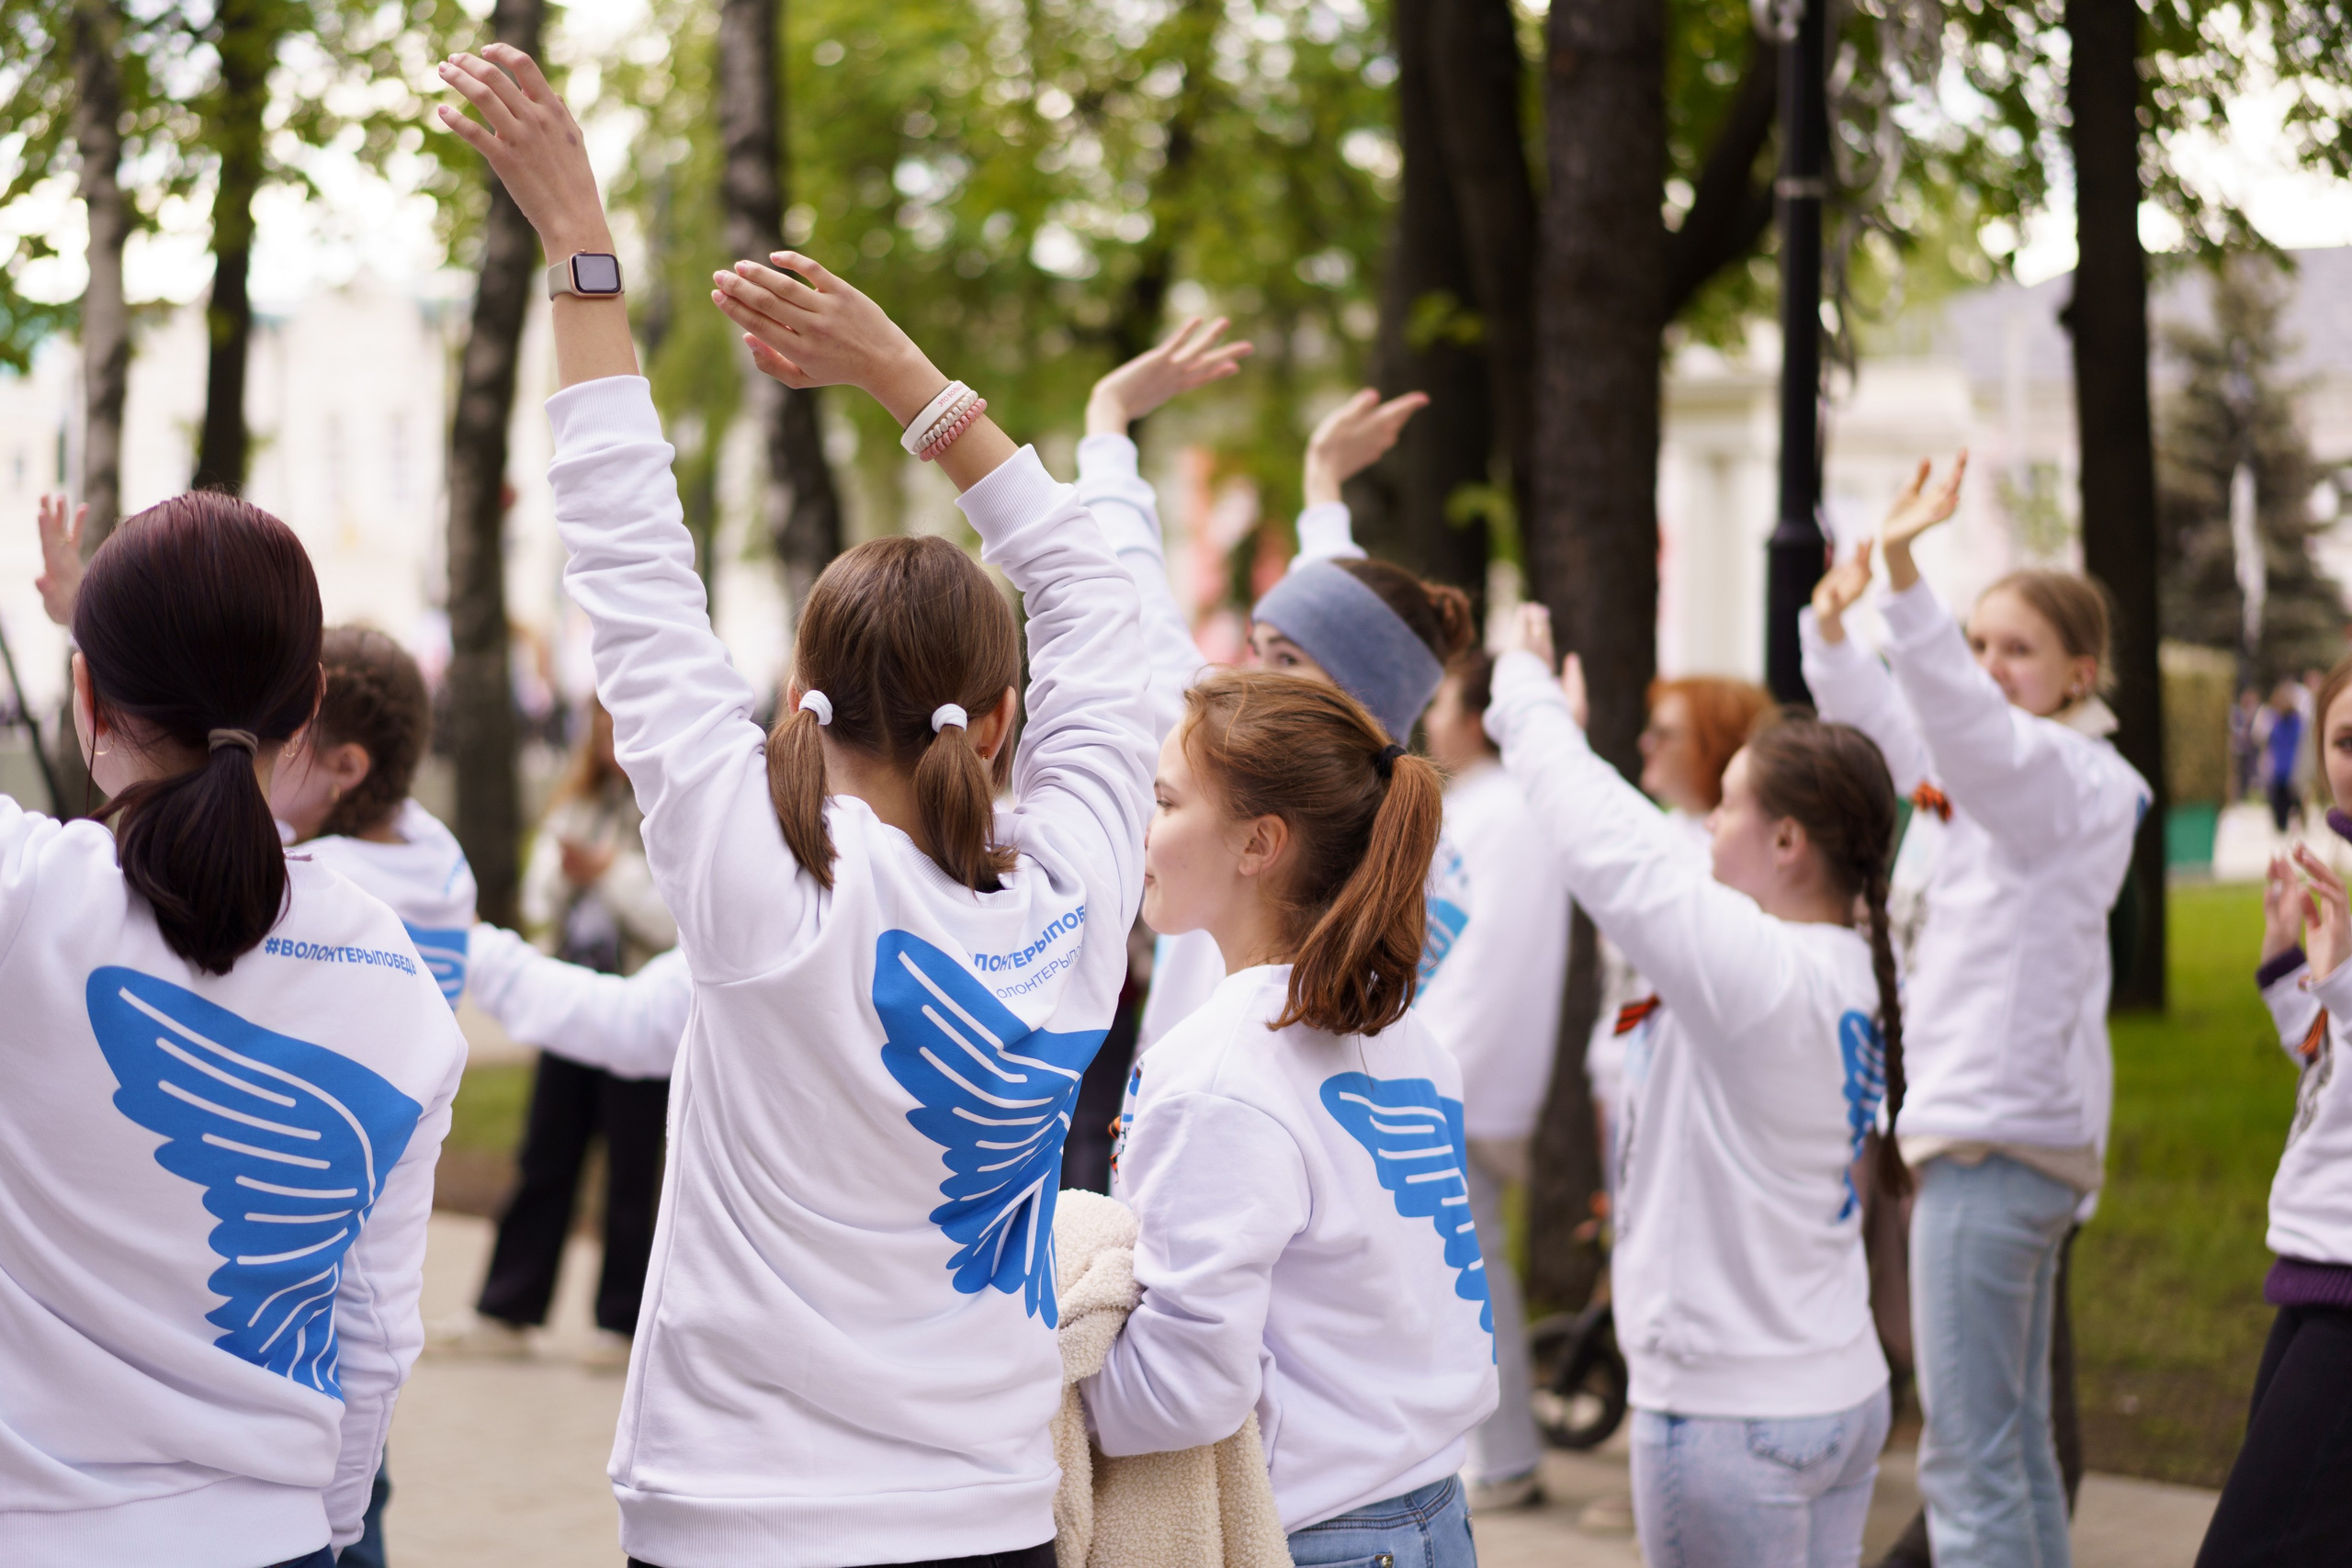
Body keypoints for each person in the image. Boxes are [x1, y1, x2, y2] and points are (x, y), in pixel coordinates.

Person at [437, 46, 1155, 1568]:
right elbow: (1102, 602)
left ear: (798, 701)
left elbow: (629, 558)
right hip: (987, 1522)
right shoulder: (1079, 908)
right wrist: (909, 379)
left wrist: (579, 236)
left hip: (742, 1526)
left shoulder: (766, 898)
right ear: (1007, 716)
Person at [1, 491, 465, 1566]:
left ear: (86, 692)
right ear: (310, 707)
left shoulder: (31, 902)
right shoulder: (395, 976)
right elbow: (377, 1340)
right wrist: (334, 1532)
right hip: (277, 1537)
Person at [1488, 605, 1902, 1568]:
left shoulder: (1758, 973)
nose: (1704, 829)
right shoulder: (1846, 959)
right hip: (1829, 1393)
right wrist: (1557, 727)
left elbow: (1617, 852)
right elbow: (1651, 849)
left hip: (1734, 1414)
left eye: (1724, 808)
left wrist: (1523, 689)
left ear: (1789, 841)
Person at [1804, 455, 2151, 1568]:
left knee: (1968, 1462)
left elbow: (1958, 722)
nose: (1990, 665)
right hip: (1997, 1146)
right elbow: (1895, 724)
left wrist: (1904, 572)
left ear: (2077, 672)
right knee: (2010, 1454)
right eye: (1981, 640)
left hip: (1995, 1148)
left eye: (2017, 649)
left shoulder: (2059, 776)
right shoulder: (2000, 775)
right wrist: (1830, 626)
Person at [1083, 670, 1497, 1567]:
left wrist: (1053, 1398)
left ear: (1258, 843)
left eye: (1163, 801)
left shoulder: (1220, 1070)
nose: (1142, 831)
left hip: (1316, 1534)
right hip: (1432, 1516)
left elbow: (1184, 1385)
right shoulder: (1410, 1039)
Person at [1073, 358, 1469, 1053]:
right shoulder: (1414, 840)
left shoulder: (1256, 791)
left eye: (1283, 658)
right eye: (1255, 646)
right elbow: (1353, 636)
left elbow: (1130, 597)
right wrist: (1323, 492)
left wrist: (1108, 426)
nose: (1252, 675)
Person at [267, 625, 479, 1568]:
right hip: (369, 1222)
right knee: (366, 1454)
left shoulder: (323, 894)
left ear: (347, 766)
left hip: (297, 1227)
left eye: (285, 735)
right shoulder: (440, 871)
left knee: (332, 1499)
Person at [435, 697, 675, 1371]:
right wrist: (566, 874)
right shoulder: (577, 804)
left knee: (633, 1166)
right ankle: (507, 1309)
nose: (610, 736)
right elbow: (542, 897)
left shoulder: (674, 816)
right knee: (547, 1152)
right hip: (574, 996)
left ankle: (624, 1324)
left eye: (622, 722)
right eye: (601, 723)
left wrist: (611, 874)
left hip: (641, 1002)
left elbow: (672, 920)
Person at [2197, 655, 2352, 1567]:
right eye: (2344, 740)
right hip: (2316, 1272)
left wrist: (2338, 978)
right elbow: (2327, 1065)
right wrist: (2287, 961)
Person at [1420, 650, 1573, 1506]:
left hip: (1461, 1072)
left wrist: (1438, 1066)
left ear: (1478, 717)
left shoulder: (1495, 813)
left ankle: (1505, 1454)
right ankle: (1497, 1449)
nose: (1433, 718)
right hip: (1469, 1068)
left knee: (1469, 1265)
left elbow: (1482, 956)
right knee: (1471, 1261)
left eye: (1444, 702)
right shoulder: (1491, 808)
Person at [1586, 675, 1773, 1192]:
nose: (1646, 743)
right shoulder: (1663, 828)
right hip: (1615, 1073)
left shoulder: (1723, 859)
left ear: (1713, 748)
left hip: (1670, 1091)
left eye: (1665, 733)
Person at [2267, 680, 2308, 835]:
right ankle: (2283, 826)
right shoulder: (2276, 720)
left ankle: (2297, 823)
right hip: (2279, 769)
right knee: (2280, 805)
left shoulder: (2296, 722)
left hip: (2292, 768)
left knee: (2294, 801)